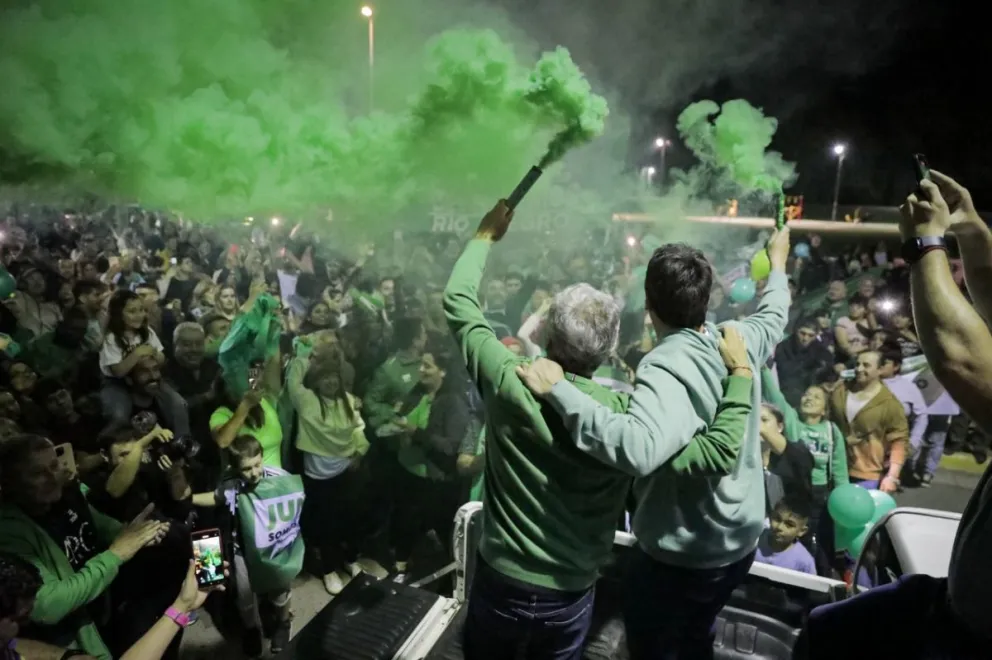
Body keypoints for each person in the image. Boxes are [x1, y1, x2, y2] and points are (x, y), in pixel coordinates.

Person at [448, 201, 760, 659]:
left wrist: (483, 238)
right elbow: (708, 453)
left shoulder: (508, 378)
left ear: (550, 331)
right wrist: (740, 377)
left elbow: (459, 301)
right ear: (609, 348)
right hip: (571, 595)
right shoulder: (626, 414)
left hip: (502, 579)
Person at [516, 221, 792, 659]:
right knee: (696, 634)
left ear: (649, 305)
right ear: (706, 298)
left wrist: (558, 390)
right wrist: (778, 264)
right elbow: (776, 310)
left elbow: (638, 449)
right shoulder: (739, 339)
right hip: (740, 542)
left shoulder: (663, 366)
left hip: (684, 556)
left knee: (651, 645)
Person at [794, 171, 991, 658]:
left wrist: (926, 244)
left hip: (974, 639)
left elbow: (960, 356)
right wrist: (972, 232)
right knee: (826, 627)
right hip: (948, 606)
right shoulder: (843, 393)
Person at [0, 435, 172, 659]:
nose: (52, 477)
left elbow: (102, 527)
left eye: (54, 466)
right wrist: (117, 553)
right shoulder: (9, 532)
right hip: (75, 637)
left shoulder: (66, 496)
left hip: (106, 606)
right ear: (12, 483)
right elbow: (46, 606)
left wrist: (138, 533)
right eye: (37, 474)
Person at [285, 335, 382, 595]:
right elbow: (293, 378)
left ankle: (349, 560)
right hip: (317, 478)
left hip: (346, 471)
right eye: (324, 377)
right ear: (315, 381)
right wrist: (304, 352)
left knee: (349, 519)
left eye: (334, 376)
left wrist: (359, 453)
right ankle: (329, 570)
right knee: (324, 525)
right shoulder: (306, 400)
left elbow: (358, 430)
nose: (330, 381)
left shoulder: (349, 401)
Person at [191, 436, 294, 657]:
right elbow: (218, 498)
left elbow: (294, 506)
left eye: (258, 464)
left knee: (280, 589)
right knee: (245, 596)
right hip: (242, 547)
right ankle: (251, 631)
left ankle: (283, 623)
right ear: (235, 467)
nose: (254, 473)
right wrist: (188, 498)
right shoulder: (230, 482)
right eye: (246, 469)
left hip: (274, 545)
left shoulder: (280, 479)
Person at [827, 351, 908, 492]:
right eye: (857, 364)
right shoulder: (840, 392)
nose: (859, 369)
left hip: (866, 474)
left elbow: (899, 441)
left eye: (866, 365)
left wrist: (892, 476)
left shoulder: (890, 404)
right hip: (832, 467)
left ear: (880, 370)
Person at [754, 496, 816, 576]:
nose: (780, 527)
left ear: (801, 531)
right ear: (771, 516)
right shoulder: (754, 539)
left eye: (789, 524)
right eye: (777, 519)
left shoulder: (804, 562)